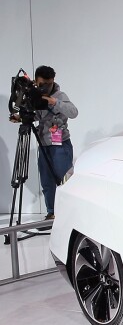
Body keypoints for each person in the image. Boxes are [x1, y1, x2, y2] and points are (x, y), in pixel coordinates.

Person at [8, 65, 78, 220]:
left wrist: (54, 102)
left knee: (63, 180)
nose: (45, 87)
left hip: (60, 144)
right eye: (41, 84)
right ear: (35, 81)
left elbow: (74, 113)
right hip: (44, 144)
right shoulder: (35, 95)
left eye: (49, 83)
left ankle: (68, 214)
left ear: (53, 80)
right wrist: (21, 118)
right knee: (47, 182)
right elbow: (39, 116)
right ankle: (51, 212)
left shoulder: (60, 94)